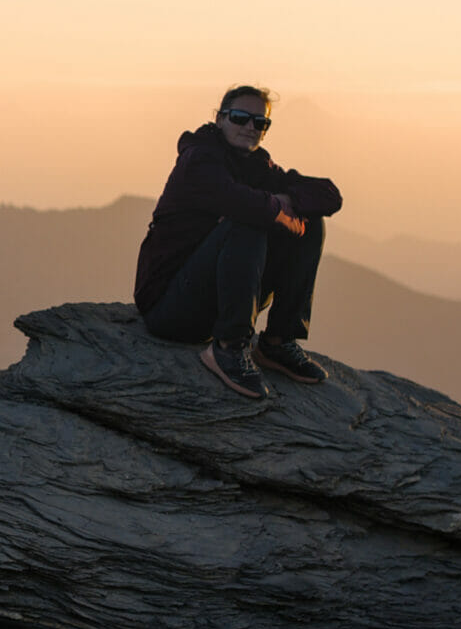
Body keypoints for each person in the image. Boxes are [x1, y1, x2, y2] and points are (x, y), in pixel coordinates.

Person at [132, 86, 343, 398]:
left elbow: (329, 195)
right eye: (240, 118)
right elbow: (241, 203)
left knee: (311, 225)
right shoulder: (199, 160)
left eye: (260, 122)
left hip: (214, 299)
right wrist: (277, 210)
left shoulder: (258, 167)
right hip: (170, 308)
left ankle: (276, 343)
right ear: (220, 119)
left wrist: (284, 202)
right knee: (247, 222)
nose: (250, 127)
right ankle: (229, 348)